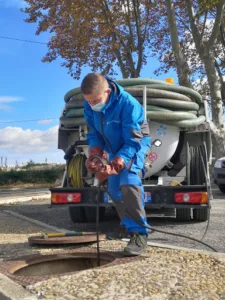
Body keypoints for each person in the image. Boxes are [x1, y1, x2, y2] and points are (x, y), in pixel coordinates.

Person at [81, 73, 151, 256]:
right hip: (113, 146)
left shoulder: (129, 105)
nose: (92, 105)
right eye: (89, 102)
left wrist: (116, 165)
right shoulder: (89, 106)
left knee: (128, 182)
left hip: (134, 144)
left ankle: (139, 234)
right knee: (114, 188)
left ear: (108, 91)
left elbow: (132, 141)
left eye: (96, 100)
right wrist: (95, 154)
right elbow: (94, 134)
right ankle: (128, 224)